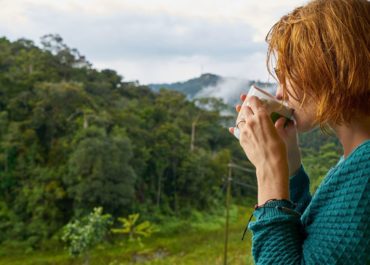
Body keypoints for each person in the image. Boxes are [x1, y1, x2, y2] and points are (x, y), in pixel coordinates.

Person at [228, 0, 370, 264]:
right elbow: (313, 242)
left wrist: (269, 171)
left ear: (327, 66)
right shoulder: (355, 160)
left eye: (286, 74)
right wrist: (290, 163)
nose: (280, 92)